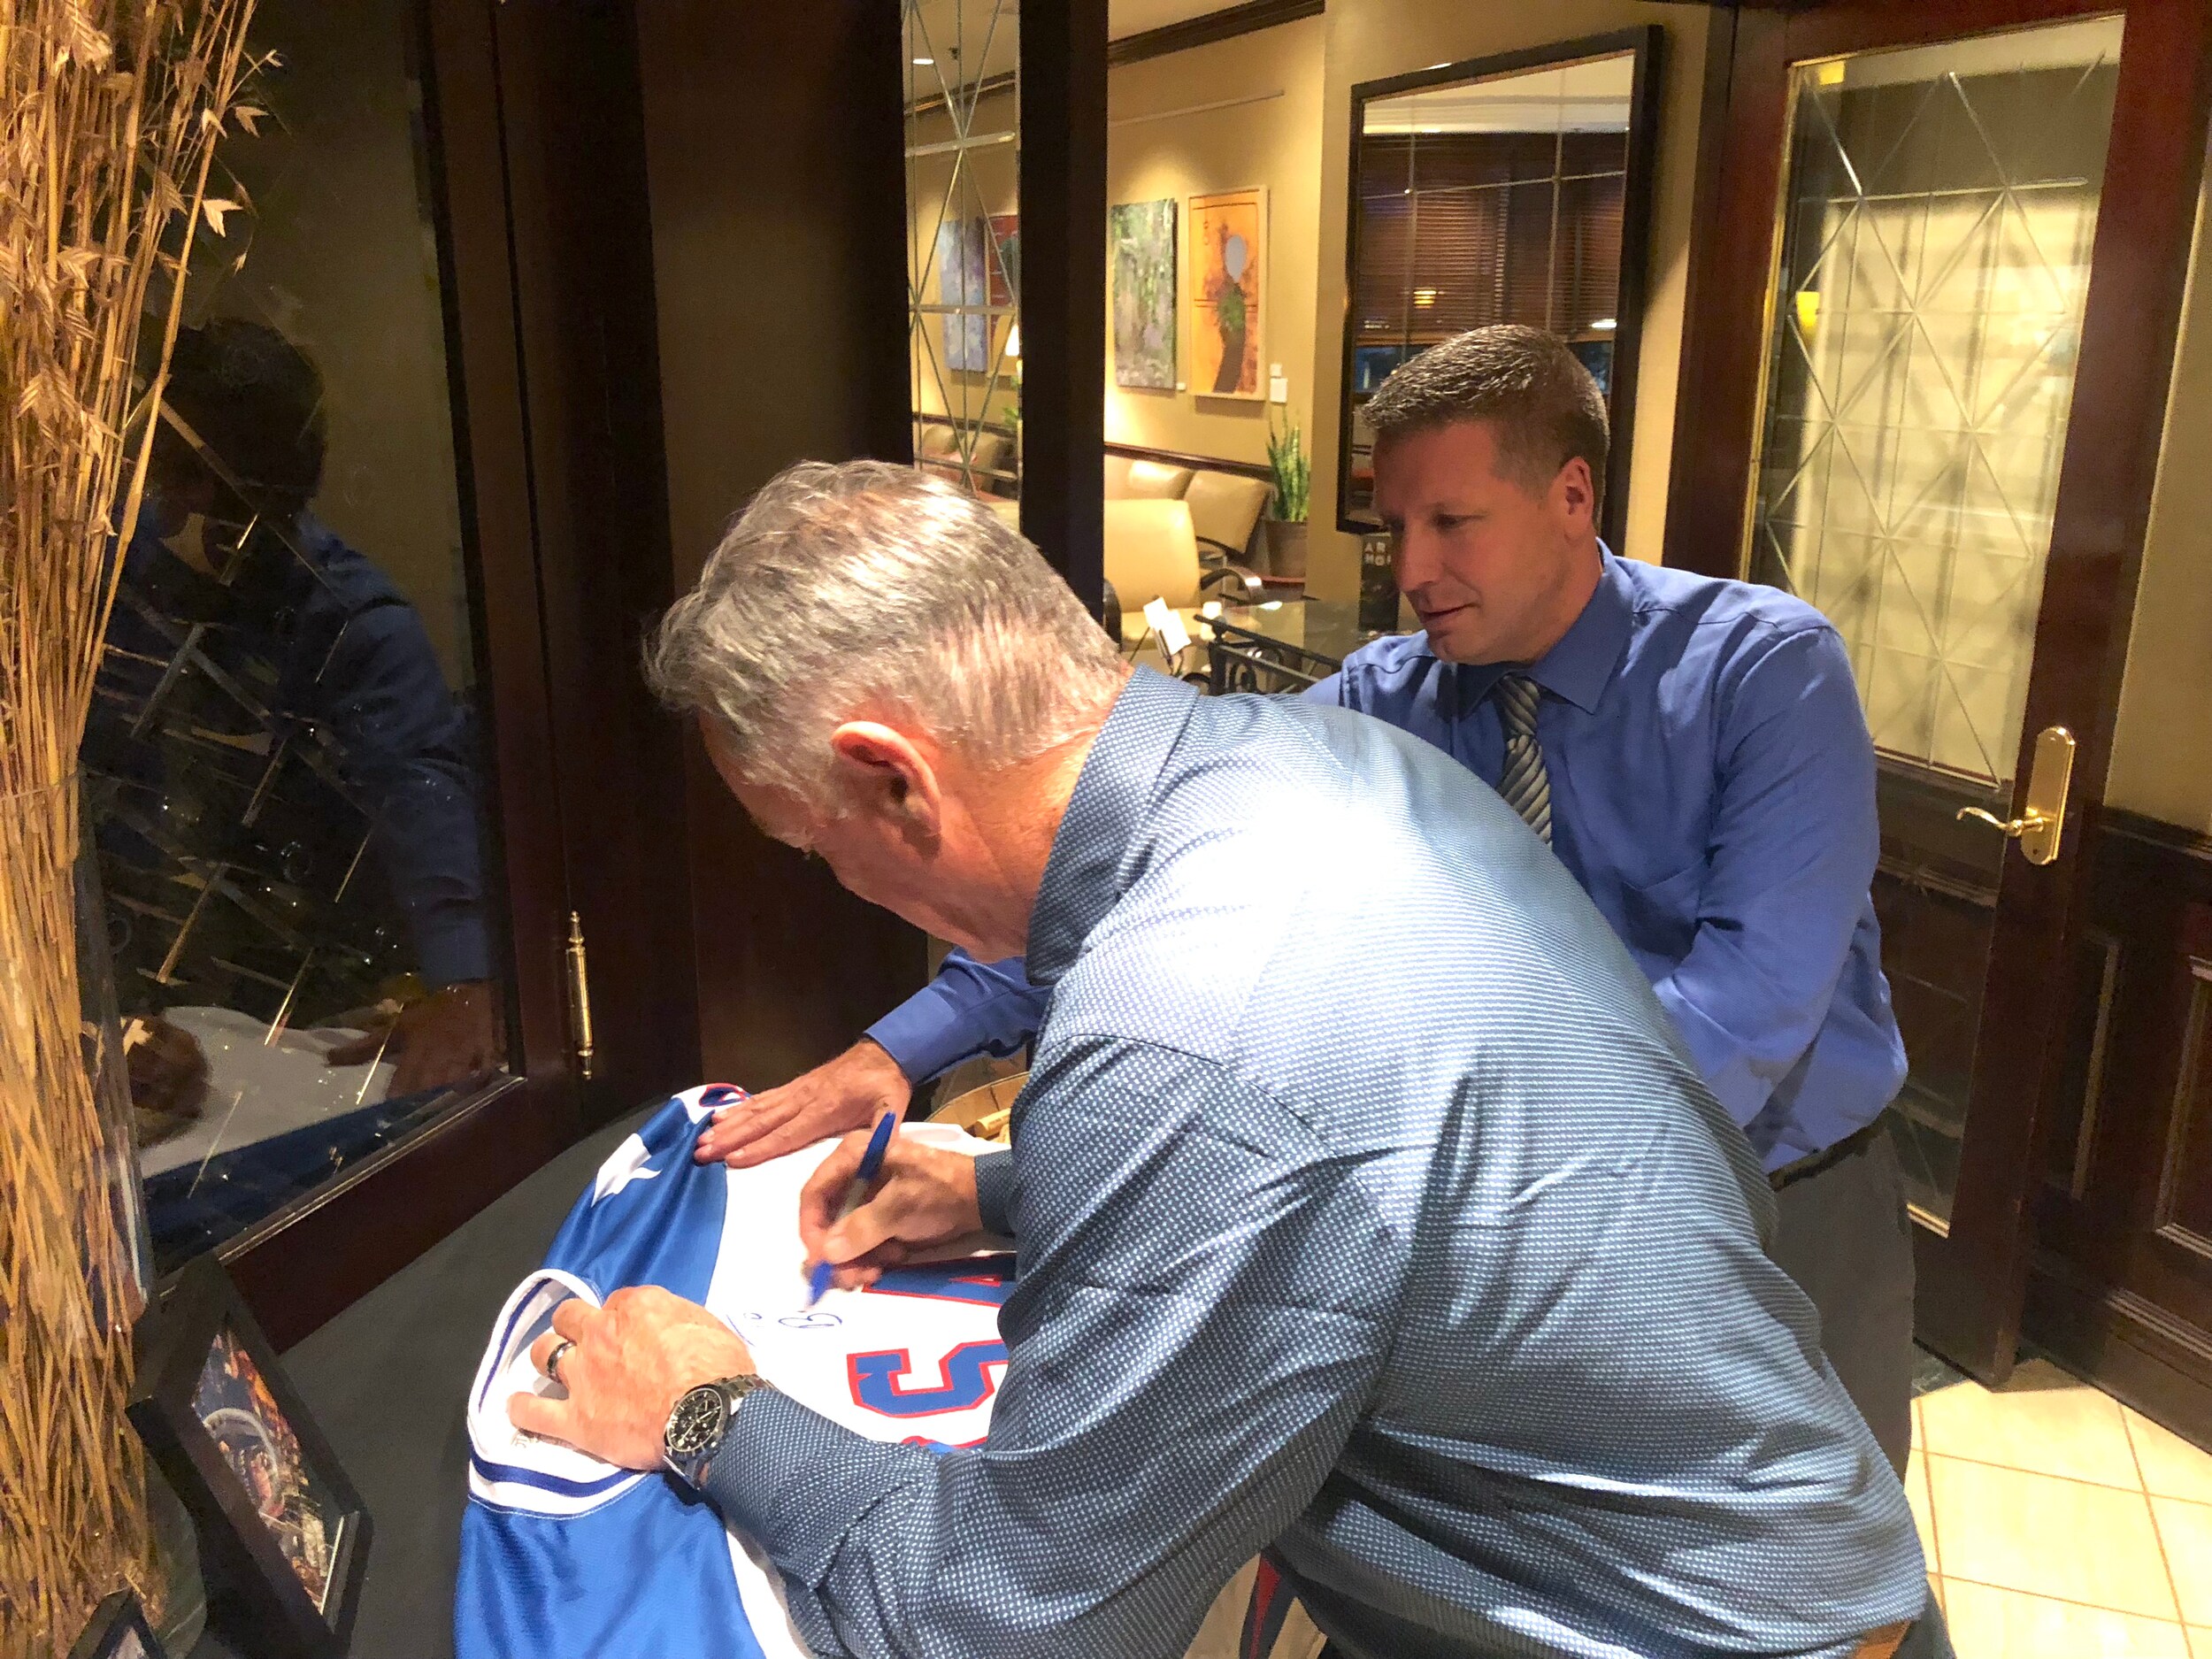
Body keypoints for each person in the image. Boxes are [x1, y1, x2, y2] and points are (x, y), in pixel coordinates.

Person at [510, 460, 1943, 1659]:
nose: (841, 884)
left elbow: (1012, 1623)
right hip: (1792, 1543)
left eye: (815, 846)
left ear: (895, 778)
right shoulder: (1331, 765)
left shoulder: (1184, 1026)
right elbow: (1388, 1176)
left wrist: (708, 1411)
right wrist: (1007, 1192)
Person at [698, 326, 1918, 1475]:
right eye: (1397, 525)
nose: (1415, 568)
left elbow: (1745, 1009)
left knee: (1813, 1577)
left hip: (1782, 1192)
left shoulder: (1762, 668)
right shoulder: (1391, 695)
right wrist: (900, 1046)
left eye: (1454, 521)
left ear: (1573, 497)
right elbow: (1140, 839)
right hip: (1502, 1226)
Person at [88, 319, 500, 1098]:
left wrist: (467, 980)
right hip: (126, 988)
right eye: (178, 483)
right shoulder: (104, 582)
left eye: (248, 505)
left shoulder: (353, 623)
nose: (180, 507)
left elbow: (425, 793)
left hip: (294, 1005)